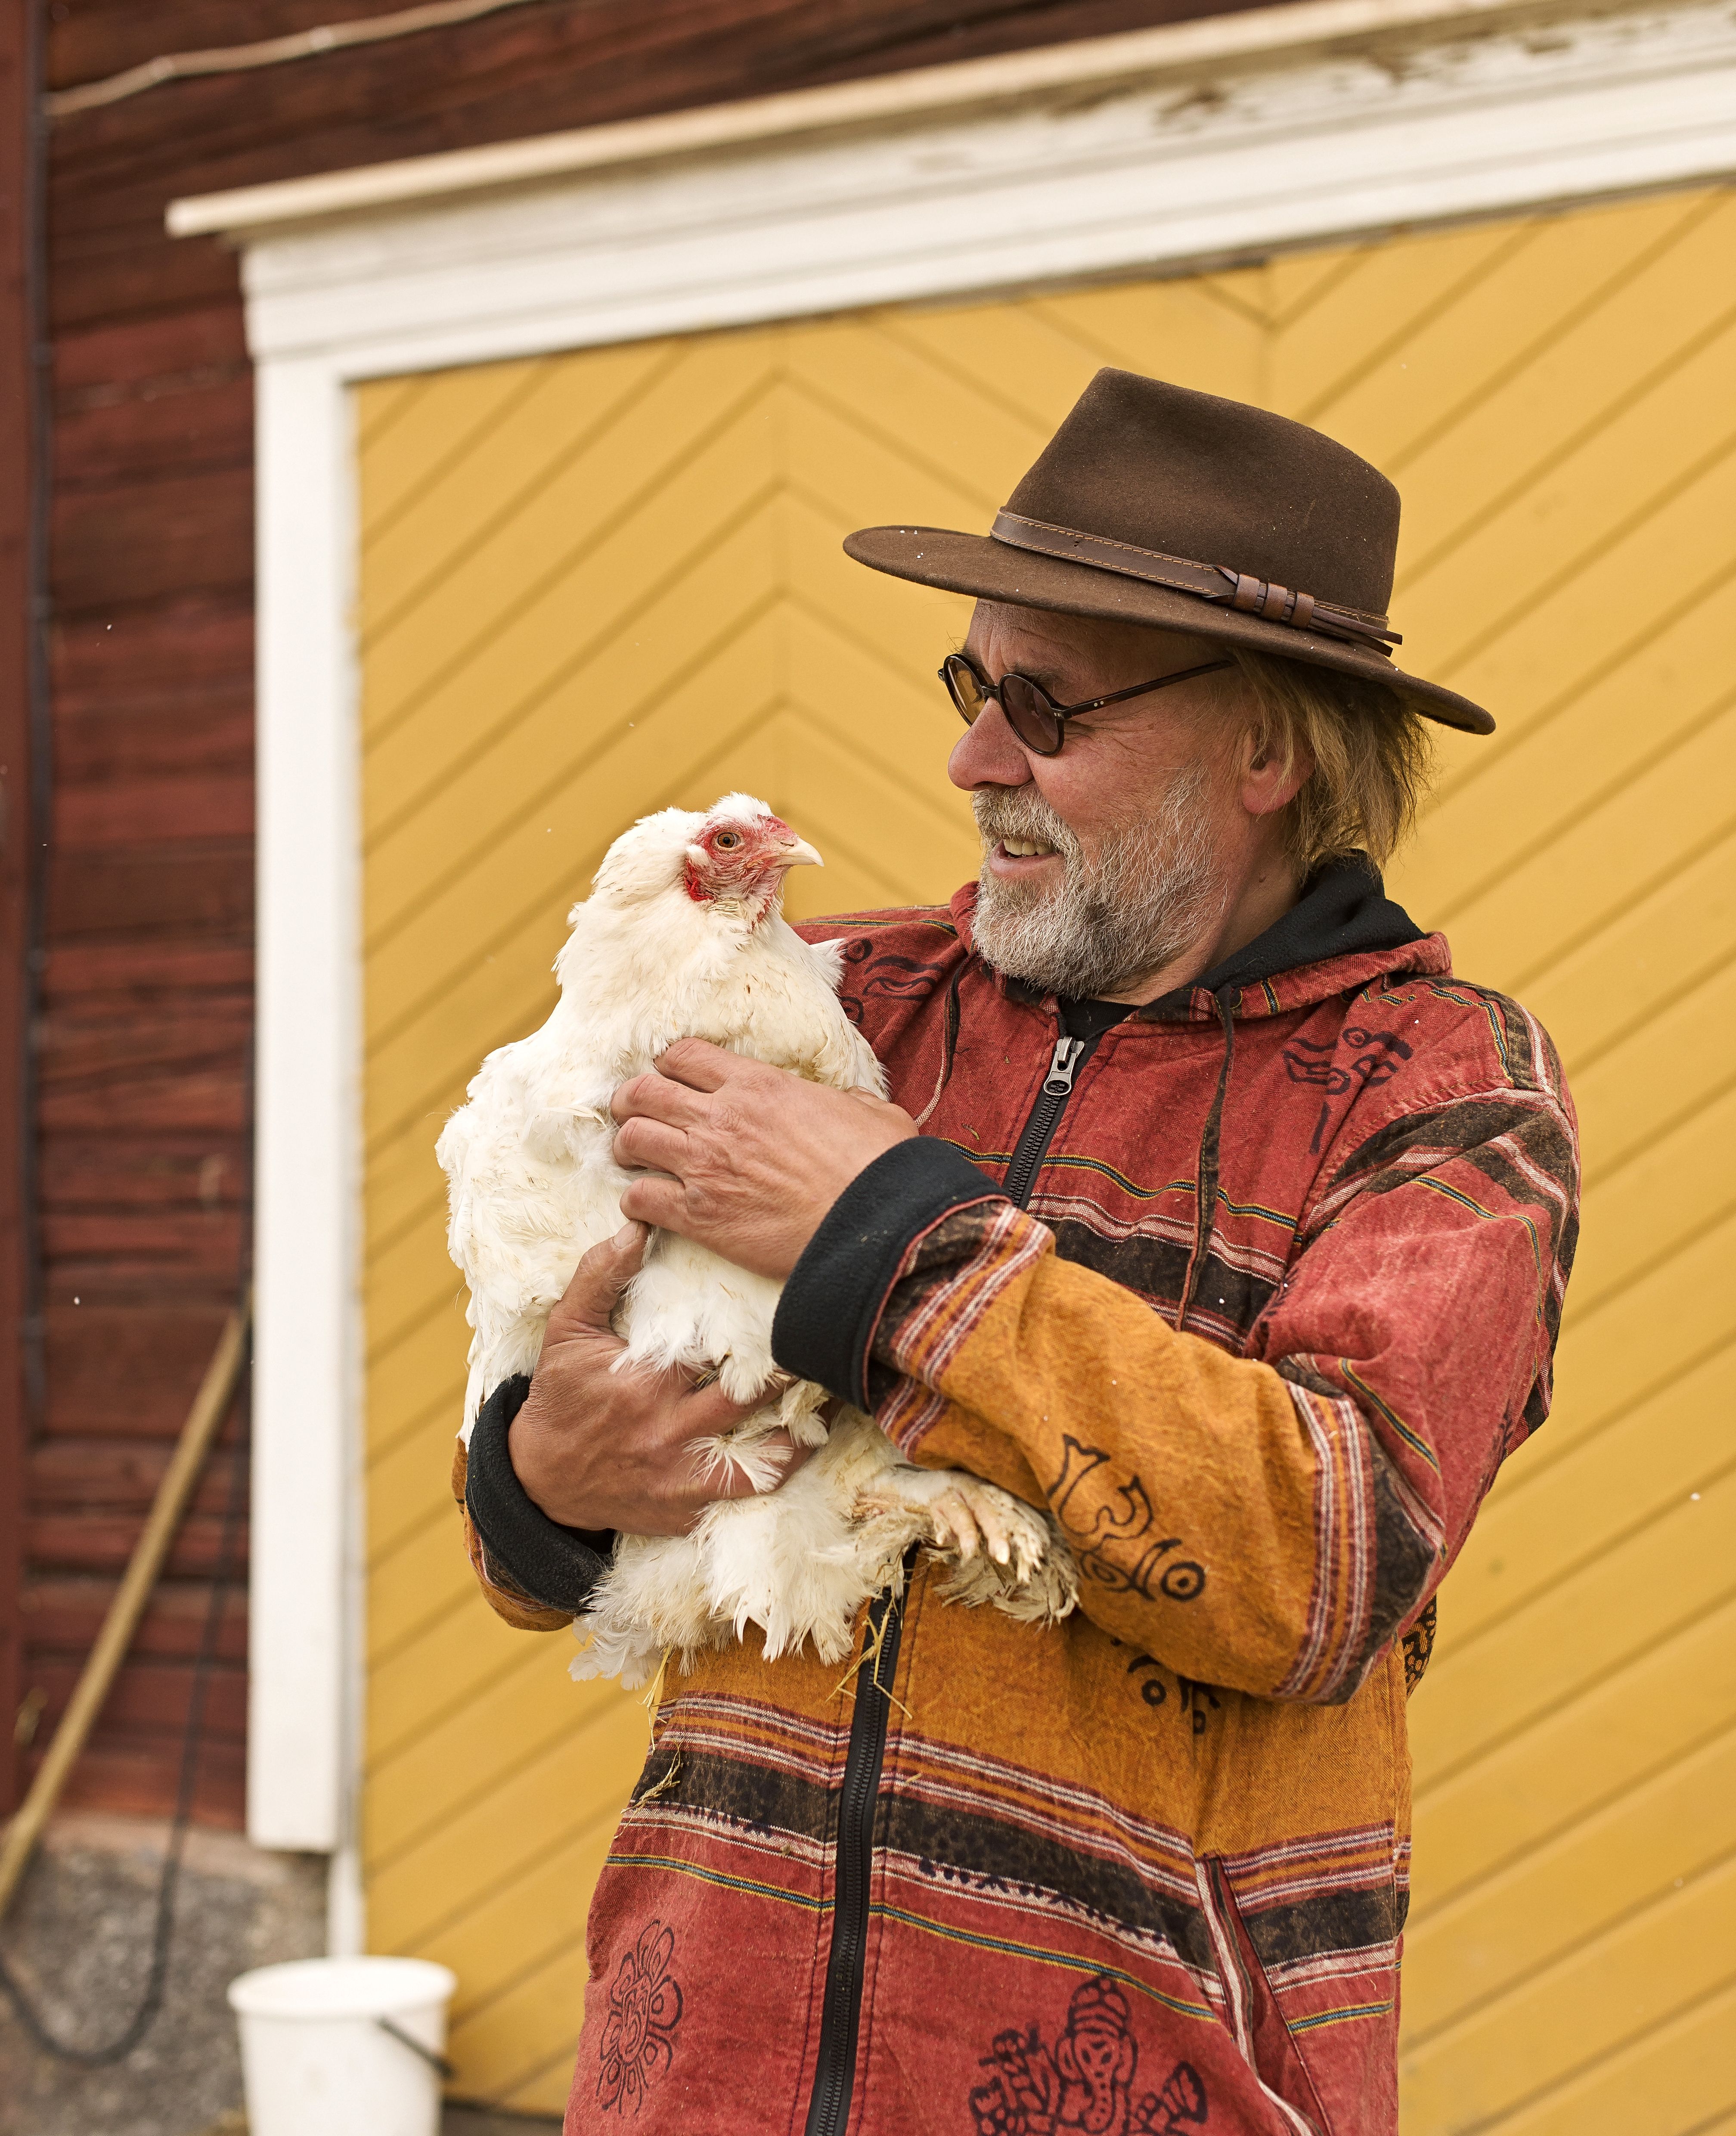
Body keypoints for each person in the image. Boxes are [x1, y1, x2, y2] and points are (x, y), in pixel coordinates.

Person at [453, 370, 1579, 2136]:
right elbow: (536, 1544)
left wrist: (890, 1239)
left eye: (1046, 704)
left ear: (1267, 747)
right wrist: (539, 1471)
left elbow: (1329, 1559)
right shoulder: (839, 1002)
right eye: (976, 685)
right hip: (693, 2079)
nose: (975, 758)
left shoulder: (1441, 1092)